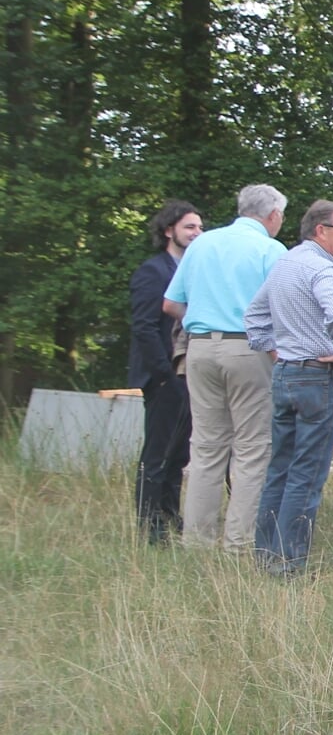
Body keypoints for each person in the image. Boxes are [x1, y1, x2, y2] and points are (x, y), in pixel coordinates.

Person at [162, 184, 288, 554]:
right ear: (273, 215)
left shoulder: (201, 244)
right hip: (249, 347)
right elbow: (283, 308)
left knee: (205, 448)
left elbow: (171, 304)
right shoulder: (269, 249)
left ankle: (196, 542)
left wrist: (204, 319)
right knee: (251, 448)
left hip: (199, 349)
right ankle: (239, 542)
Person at [245, 200, 333, 575]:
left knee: (280, 469)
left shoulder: (285, 263)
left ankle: (265, 555)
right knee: (307, 475)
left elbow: (254, 316)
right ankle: (288, 563)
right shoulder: (321, 267)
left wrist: (280, 355)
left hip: (287, 375)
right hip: (316, 379)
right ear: (320, 230)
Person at [129, 200, 203, 545]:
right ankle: (149, 524)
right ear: (168, 230)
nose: (196, 233)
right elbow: (144, 328)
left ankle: (171, 514)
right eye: (189, 227)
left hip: (190, 373)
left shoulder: (195, 269)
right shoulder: (153, 271)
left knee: (180, 452)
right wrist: (164, 375)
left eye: (200, 228)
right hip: (163, 376)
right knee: (158, 453)